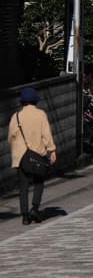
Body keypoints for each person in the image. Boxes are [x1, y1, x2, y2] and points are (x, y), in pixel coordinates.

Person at [7, 87, 57, 225]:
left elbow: (10, 137)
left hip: (21, 156)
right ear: (35, 100)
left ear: (23, 102)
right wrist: (51, 150)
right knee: (39, 181)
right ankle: (35, 208)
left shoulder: (16, 116)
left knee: (23, 186)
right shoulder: (41, 114)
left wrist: (16, 150)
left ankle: (25, 216)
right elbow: (46, 134)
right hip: (37, 154)